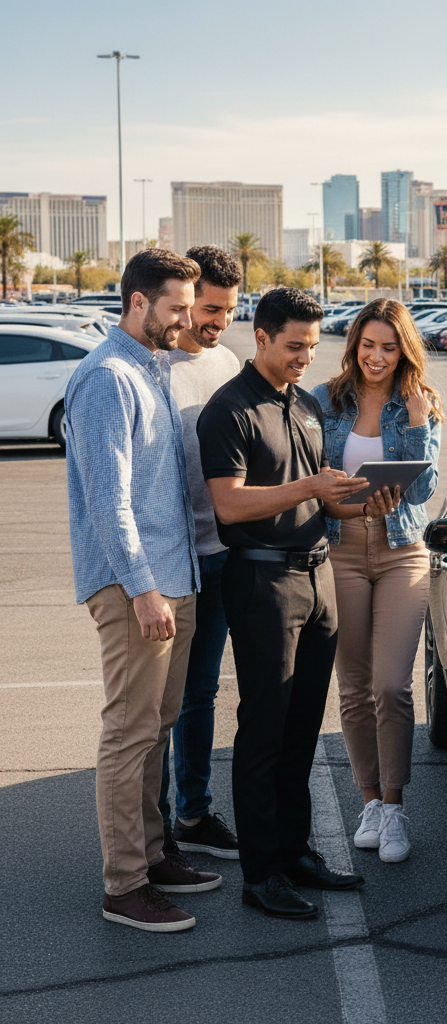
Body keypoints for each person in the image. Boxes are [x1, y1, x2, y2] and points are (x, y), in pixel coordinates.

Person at [197, 287, 368, 920]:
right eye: (294, 346)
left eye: (312, 347)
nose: (304, 357)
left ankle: (296, 853)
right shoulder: (229, 410)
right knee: (264, 729)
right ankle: (261, 873)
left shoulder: (306, 405)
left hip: (319, 576)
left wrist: (364, 498)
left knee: (303, 728)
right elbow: (230, 505)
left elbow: (323, 500)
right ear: (261, 336)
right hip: (262, 582)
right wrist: (310, 486)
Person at [65, 248, 221, 934]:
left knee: (157, 727)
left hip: (172, 576)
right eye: (178, 306)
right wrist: (142, 588)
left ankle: (155, 857)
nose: (188, 319)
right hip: (139, 588)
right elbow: (111, 498)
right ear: (138, 302)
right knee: (128, 735)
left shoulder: (150, 367)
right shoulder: (108, 378)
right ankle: (124, 885)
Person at [310, 298, 442, 864]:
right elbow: (306, 470)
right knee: (355, 688)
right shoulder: (325, 399)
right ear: (354, 345)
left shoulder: (422, 404)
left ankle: (394, 810)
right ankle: (368, 800)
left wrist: (415, 426)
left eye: (389, 347)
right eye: (368, 345)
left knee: (393, 686)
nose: (377, 356)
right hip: (340, 551)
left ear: (404, 350)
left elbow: (420, 491)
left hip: (400, 551)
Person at [158, 246, 243, 861]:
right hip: (169, 563)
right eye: (210, 309)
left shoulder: (228, 363)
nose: (218, 322)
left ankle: (193, 813)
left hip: (222, 553)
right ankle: (152, 827)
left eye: (229, 311)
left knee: (201, 693)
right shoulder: (151, 367)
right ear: (186, 301)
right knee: (158, 703)